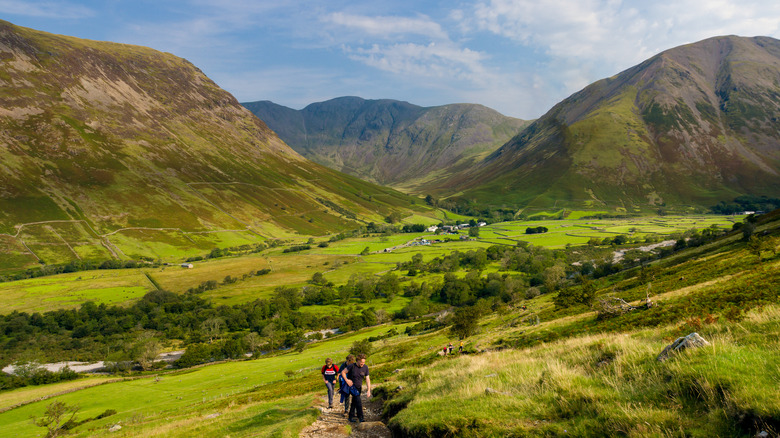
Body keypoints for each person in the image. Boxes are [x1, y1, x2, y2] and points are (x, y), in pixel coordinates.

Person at [341, 353, 370, 423]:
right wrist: (347, 380)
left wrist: (368, 390)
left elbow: (367, 379)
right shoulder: (352, 366)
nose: (363, 363)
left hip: (359, 387)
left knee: (354, 401)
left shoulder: (365, 367)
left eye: (364, 362)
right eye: (362, 362)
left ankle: (350, 417)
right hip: (351, 387)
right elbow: (343, 372)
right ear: (358, 361)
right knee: (358, 401)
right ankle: (361, 417)